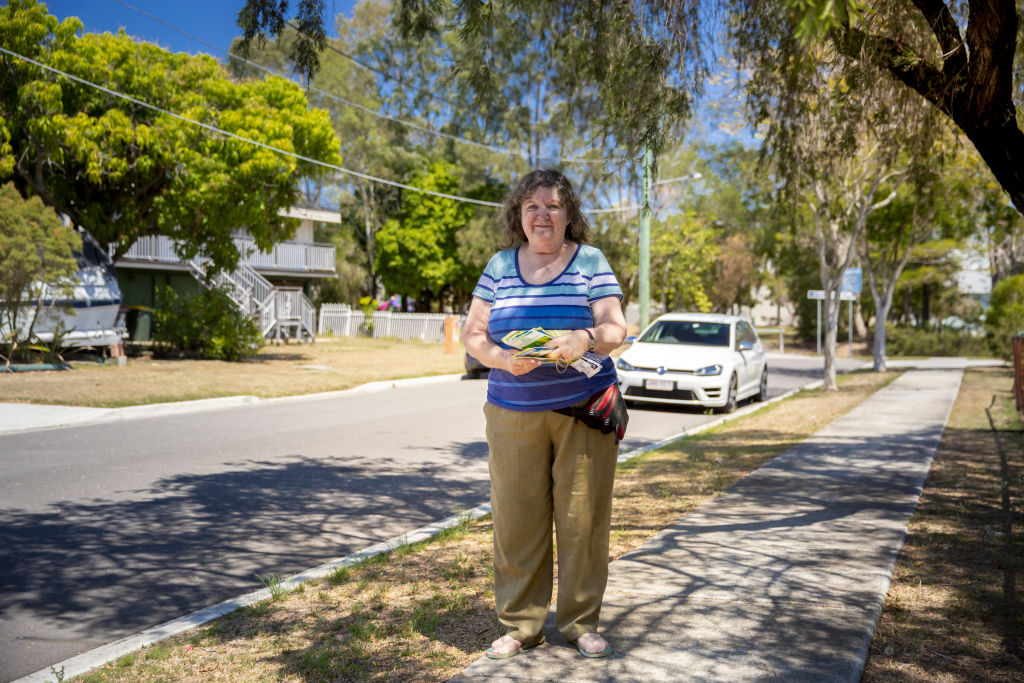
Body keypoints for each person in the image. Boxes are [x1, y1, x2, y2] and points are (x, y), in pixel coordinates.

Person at [462, 169, 627, 660]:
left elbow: (616, 327)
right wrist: (499, 358)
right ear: (519, 214)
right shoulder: (498, 266)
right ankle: (522, 625)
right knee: (517, 522)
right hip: (512, 412)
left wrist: (586, 339)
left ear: (569, 214)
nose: (542, 214)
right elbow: (474, 332)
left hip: (583, 411)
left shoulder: (591, 262)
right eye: (532, 205)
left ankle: (580, 623)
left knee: (582, 521)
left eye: (553, 205)